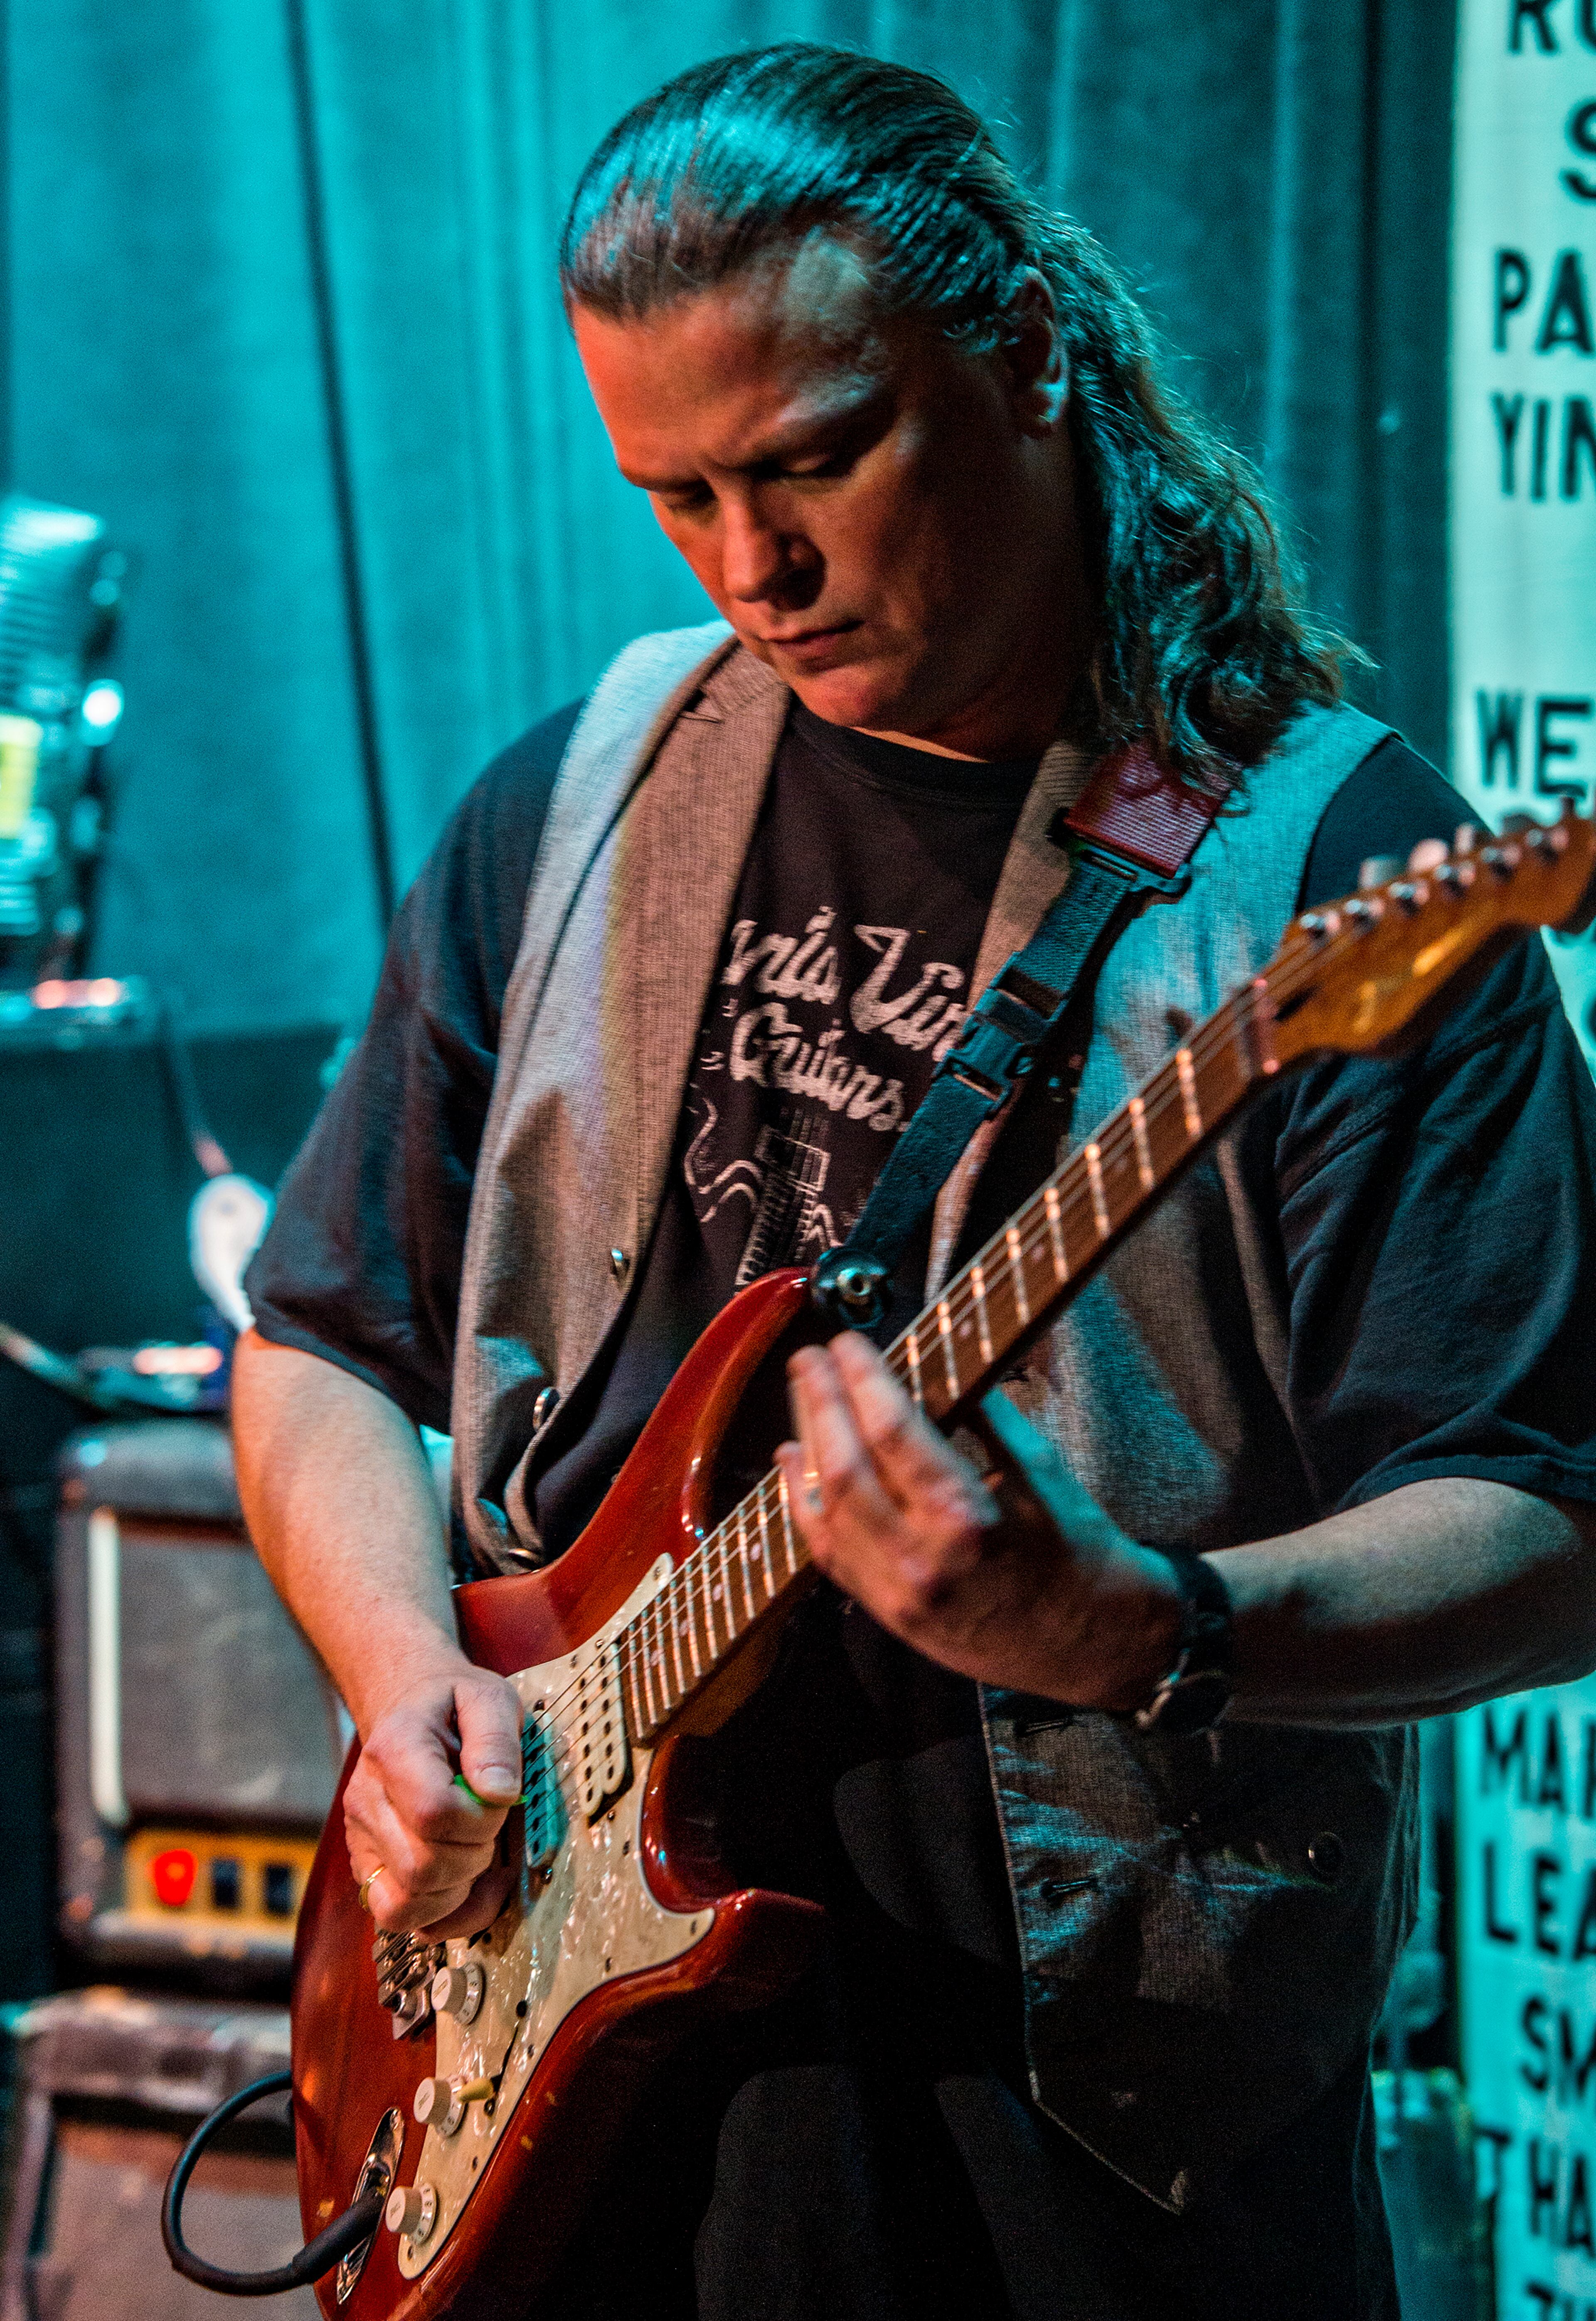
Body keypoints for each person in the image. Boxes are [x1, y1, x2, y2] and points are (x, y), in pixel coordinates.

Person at [234, 43, 1596, 2321]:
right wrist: (402, 1689)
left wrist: (1146, 1629)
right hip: (570, 2105)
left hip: (1081, 2155)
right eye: (677, 497)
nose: (753, 566)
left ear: (1031, 346)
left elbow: (1552, 1526)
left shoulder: (1330, 886)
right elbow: (319, 1349)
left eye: (814, 459)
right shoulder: (573, 792)